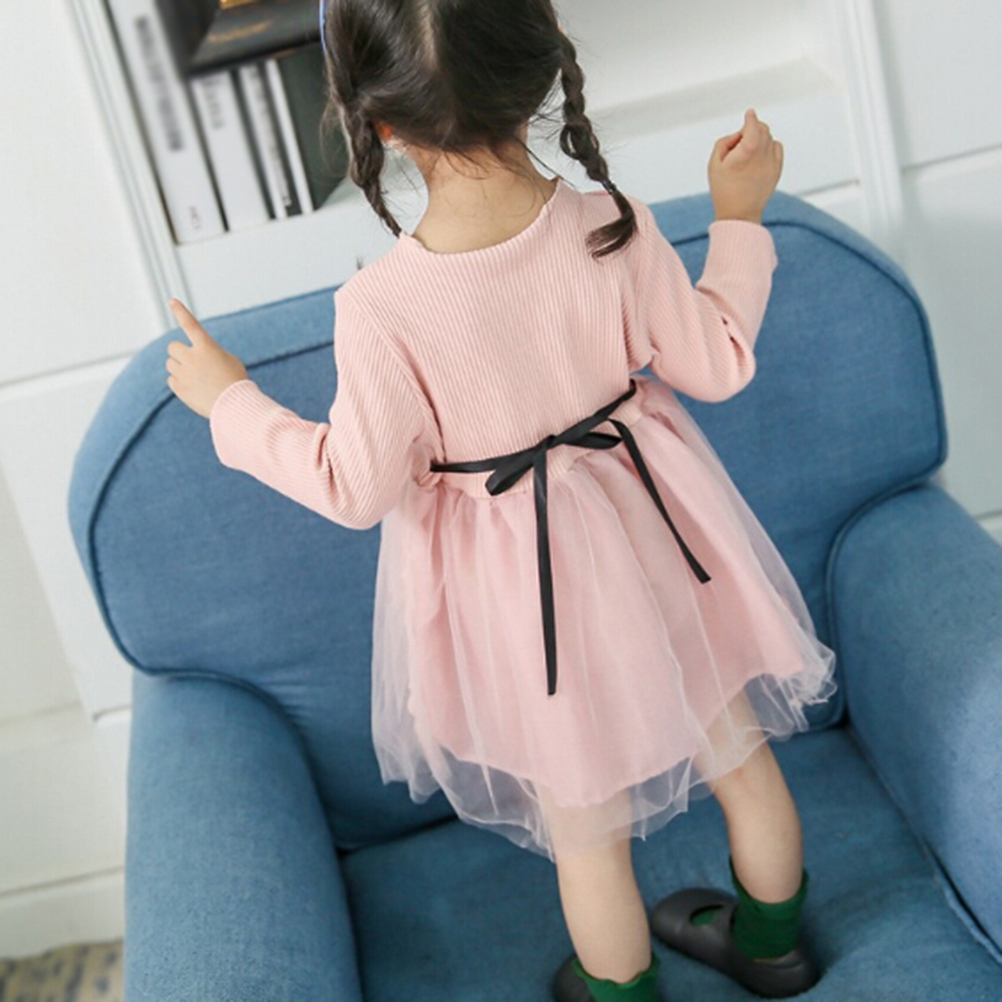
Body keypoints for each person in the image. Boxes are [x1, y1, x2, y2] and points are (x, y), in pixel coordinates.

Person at [164, 2, 837, 999]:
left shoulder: (381, 309)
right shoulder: (610, 223)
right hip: (659, 541)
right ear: (540, 74)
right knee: (739, 753)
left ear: (378, 122)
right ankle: (775, 946)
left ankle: (622, 994)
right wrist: (737, 217)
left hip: (526, 608)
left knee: (586, 831)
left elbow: (354, 487)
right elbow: (718, 362)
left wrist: (234, 405)